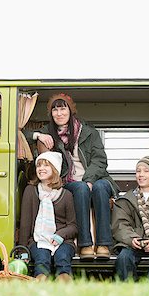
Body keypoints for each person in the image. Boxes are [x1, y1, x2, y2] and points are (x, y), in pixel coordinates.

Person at [24, 93, 118, 259]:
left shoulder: (89, 132)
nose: (59, 113)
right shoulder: (48, 131)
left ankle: (104, 244)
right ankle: (85, 245)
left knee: (101, 187)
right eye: (55, 109)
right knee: (80, 188)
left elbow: (100, 160)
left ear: (70, 110)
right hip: (68, 181)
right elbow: (21, 134)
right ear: (51, 113)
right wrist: (38, 135)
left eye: (62, 108)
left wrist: (89, 180)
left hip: (95, 177)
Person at [18, 151, 78, 282]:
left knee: (62, 257)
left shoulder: (66, 195)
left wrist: (61, 235)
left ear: (55, 169)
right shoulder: (30, 191)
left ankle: (64, 282)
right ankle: (41, 282)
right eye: (39, 166)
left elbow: (73, 226)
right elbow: (25, 224)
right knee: (42, 258)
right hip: (38, 240)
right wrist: (22, 249)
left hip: (62, 241)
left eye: (46, 166)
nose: (41, 169)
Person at [112, 156, 149, 281]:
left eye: (146, 171)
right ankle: (129, 289)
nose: (141, 174)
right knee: (124, 258)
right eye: (138, 171)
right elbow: (120, 225)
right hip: (134, 242)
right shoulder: (125, 199)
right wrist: (132, 239)